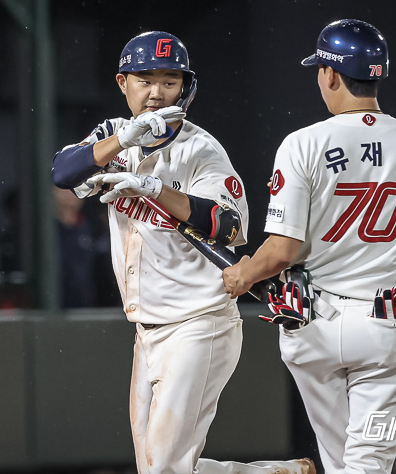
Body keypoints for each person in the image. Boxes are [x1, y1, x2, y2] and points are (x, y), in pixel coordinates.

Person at [52, 31, 314, 474]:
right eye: (145, 80)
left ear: (185, 87)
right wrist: (122, 141)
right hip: (147, 328)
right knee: (162, 469)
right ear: (123, 83)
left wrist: (157, 190)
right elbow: (62, 171)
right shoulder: (115, 136)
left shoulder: (200, 149)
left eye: (169, 81)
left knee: (163, 469)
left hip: (199, 323)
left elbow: (230, 227)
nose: (156, 93)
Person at [223, 19, 396, 473]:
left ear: (330, 74)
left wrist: (245, 272)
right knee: (366, 462)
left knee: (341, 460)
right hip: (384, 319)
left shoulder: (303, 143)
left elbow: (283, 249)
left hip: (313, 324)